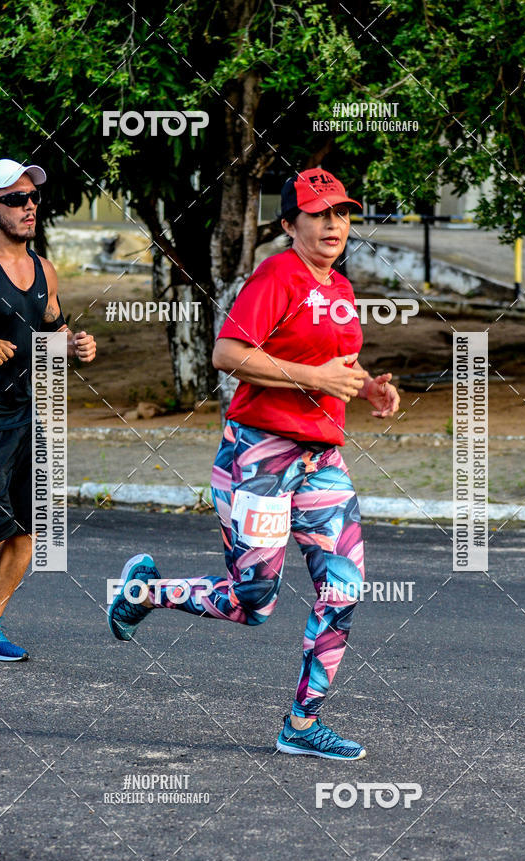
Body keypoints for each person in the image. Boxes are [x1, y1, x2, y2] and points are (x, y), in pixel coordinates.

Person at [108, 167, 399, 760]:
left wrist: (367, 389)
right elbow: (226, 353)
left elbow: (334, 367)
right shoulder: (278, 275)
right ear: (291, 223)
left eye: (341, 213)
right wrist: (312, 378)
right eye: (319, 214)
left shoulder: (339, 288)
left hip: (321, 460)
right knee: (253, 602)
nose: (333, 225)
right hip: (260, 458)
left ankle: (301, 722)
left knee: (342, 590)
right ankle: (144, 592)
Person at [0, 158, 96, 662]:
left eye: (32, 197)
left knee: (31, 529)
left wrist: (76, 347)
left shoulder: (44, 269)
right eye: (15, 199)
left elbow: (52, 335)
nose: (29, 206)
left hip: (28, 415)